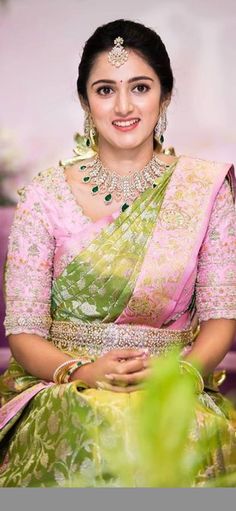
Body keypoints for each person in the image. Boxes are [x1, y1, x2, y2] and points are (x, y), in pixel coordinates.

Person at [0, 18, 236, 487]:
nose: (124, 106)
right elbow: (23, 331)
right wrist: (83, 371)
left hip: (170, 383)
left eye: (140, 87)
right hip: (65, 387)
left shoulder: (204, 189)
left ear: (164, 96)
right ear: (86, 101)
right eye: (106, 90)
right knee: (88, 423)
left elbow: (221, 317)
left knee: (174, 430)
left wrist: (181, 374)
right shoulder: (45, 195)